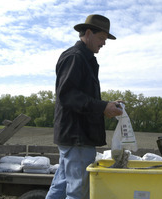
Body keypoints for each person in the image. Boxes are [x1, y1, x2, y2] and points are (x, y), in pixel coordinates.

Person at [46, 14, 123, 199]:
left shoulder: (84, 59)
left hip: (73, 137)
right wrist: (102, 107)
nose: (103, 43)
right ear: (88, 33)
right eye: (101, 38)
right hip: (77, 136)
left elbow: (81, 97)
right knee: (78, 192)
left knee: (61, 186)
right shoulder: (75, 57)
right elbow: (68, 95)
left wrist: (107, 106)